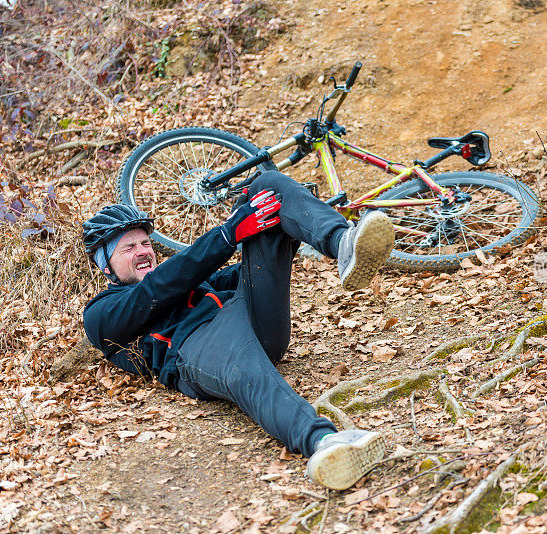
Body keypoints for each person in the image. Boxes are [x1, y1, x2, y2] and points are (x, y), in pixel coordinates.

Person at [81, 170, 395, 490]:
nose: (143, 251)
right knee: (250, 373)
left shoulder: (187, 282)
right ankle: (324, 442)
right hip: (197, 348)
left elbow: (243, 270)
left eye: (146, 243)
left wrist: (285, 224)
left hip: (254, 323)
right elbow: (154, 292)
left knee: (266, 190)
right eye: (129, 247)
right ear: (106, 266)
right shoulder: (99, 315)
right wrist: (227, 234)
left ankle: (342, 242)